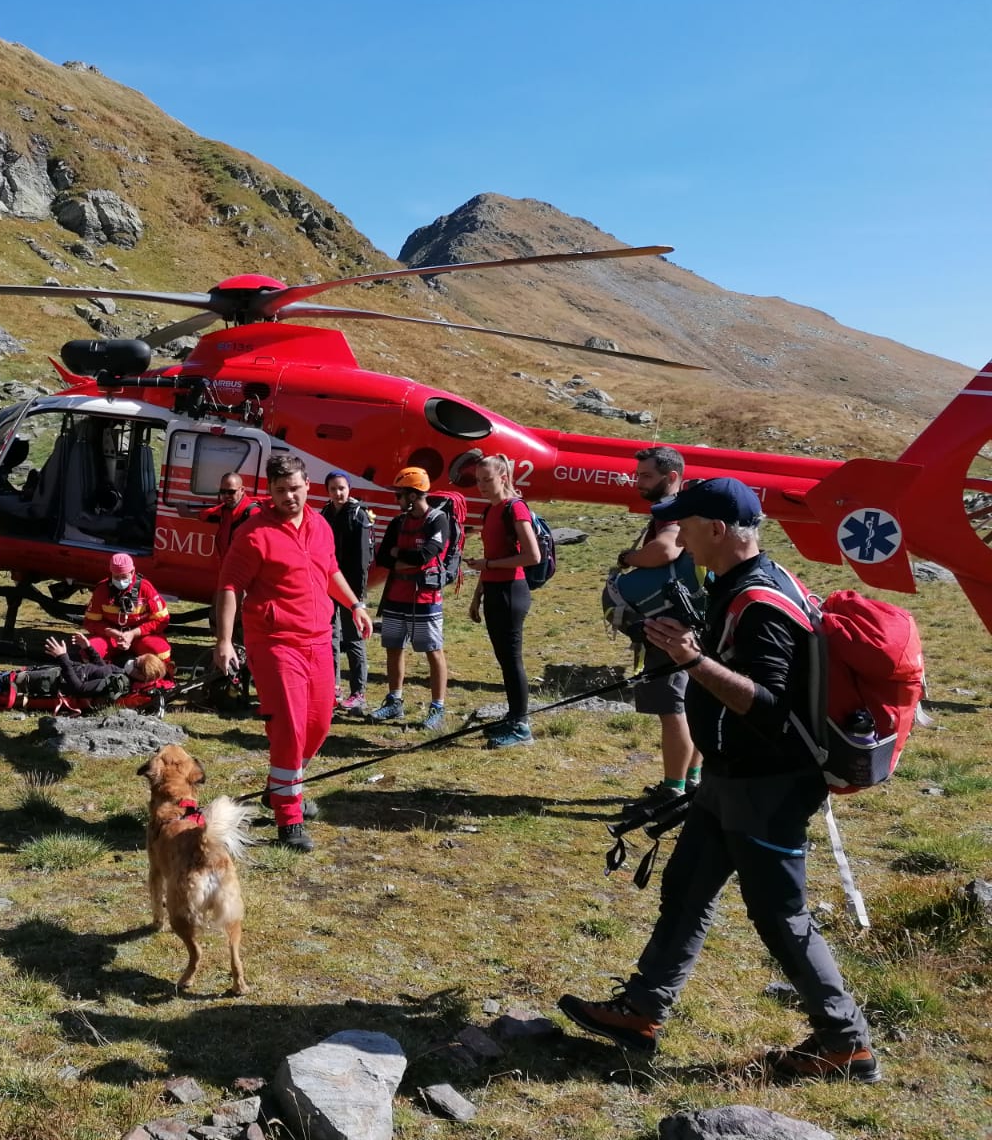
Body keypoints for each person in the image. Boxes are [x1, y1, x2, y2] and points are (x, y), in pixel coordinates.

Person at [558, 477, 878, 1084]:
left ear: (718, 529)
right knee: (686, 888)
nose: (674, 535)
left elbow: (769, 706)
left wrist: (691, 660)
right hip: (729, 780)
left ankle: (845, 1042)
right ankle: (641, 1011)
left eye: (684, 524)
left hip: (768, 785)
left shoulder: (758, 602)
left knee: (781, 915)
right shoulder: (739, 583)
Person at [213, 454, 373, 852]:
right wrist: (224, 641)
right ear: (270, 491)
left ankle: (280, 788)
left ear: (308, 486)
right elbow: (229, 587)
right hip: (275, 641)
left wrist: (355, 605)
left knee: (318, 726)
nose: (290, 496)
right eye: (281, 490)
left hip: (320, 639)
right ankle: (288, 816)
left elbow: (330, 571)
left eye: (296, 488)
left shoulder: (320, 525)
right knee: (290, 726)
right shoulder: (252, 534)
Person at [617, 446, 701, 811]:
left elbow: (666, 551)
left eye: (646, 476)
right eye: (637, 475)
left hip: (670, 625)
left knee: (673, 709)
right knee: (695, 705)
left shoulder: (672, 513)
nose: (639, 482)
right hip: (694, 619)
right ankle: (693, 781)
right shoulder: (691, 507)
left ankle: (673, 790)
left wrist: (628, 558)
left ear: (671, 478)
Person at [464, 455, 540, 748]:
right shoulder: (490, 511)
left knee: (512, 659)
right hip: (495, 591)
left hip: (511, 591)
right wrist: (477, 596)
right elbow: (490, 557)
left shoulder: (515, 508)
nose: (482, 486)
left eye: (487, 480)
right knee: (505, 660)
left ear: (504, 477)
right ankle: (514, 716)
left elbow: (532, 556)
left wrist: (489, 565)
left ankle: (521, 726)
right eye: (479, 481)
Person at [368, 467, 450, 730]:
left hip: (424, 598)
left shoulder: (438, 521)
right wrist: (403, 559)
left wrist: (398, 556)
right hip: (395, 596)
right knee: (393, 647)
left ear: (413, 495)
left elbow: (424, 556)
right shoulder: (398, 522)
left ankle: (438, 707)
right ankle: (394, 701)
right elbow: (382, 558)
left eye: (399, 494)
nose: (396, 499)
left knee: (432, 651)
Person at [321, 471, 374, 713]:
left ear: (349, 489)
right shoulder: (326, 514)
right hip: (327, 586)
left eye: (342, 488)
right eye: (333, 489)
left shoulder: (358, 516)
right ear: (327, 491)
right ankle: (333, 686)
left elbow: (363, 560)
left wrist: (359, 598)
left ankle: (358, 692)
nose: (338, 493)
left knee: (353, 639)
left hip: (351, 589)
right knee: (330, 637)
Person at [83, 552, 172, 664]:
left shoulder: (145, 588)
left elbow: (161, 620)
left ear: (132, 572)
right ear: (111, 573)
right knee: (88, 652)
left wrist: (133, 633)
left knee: (160, 652)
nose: (120, 581)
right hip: (111, 637)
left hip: (141, 636)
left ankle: (160, 679)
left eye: (124, 576)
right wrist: (112, 633)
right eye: (116, 577)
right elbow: (90, 622)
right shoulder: (102, 590)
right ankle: (105, 676)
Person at [41, 634, 171, 697]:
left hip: (56, 681)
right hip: (65, 672)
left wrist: (63, 657)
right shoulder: (125, 677)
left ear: (140, 675)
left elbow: (79, 689)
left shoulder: (116, 683)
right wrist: (88, 648)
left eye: (136, 662)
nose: (132, 660)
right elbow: (104, 670)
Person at [202, 471, 261, 559]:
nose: (226, 495)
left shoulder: (253, 513)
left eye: (231, 492)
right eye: (222, 491)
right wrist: (186, 512)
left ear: (242, 490)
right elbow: (207, 514)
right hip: (226, 566)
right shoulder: (225, 509)